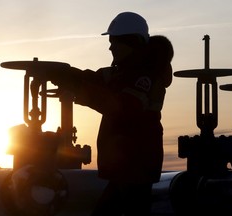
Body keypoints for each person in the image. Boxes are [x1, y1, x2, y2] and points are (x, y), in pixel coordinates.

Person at [51, 11, 174, 216]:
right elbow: (95, 80)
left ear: (130, 42)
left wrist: (76, 91)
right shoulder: (124, 71)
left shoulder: (144, 76)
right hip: (126, 168)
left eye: (113, 41)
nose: (110, 47)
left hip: (136, 166)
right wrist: (67, 75)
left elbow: (120, 107)